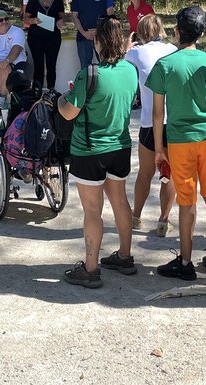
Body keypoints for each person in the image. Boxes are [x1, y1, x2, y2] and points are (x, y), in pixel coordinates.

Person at [59, 15, 140, 287]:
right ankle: (125, 256)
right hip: (120, 147)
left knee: (93, 210)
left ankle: (91, 269)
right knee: (120, 202)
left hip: (89, 149)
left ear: (98, 42)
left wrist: (61, 99)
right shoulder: (130, 71)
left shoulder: (89, 74)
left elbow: (69, 113)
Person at [148, 6, 206, 280]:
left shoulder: (165, 65)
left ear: (177, 31)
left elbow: (158, 114)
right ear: (202, 33)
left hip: (180, 140)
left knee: (186, 201)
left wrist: (159, 149)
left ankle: (185, 260)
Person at [124, 14, 176, 236]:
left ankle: (136, 216)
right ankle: (163, 220)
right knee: (168, 175)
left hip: (148, 122)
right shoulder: (173, 50)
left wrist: (128, 44)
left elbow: (121, 61)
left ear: (140, 32)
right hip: (172, 123)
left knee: (145, 174)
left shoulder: (135, 52)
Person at [24, 0, 65, 90]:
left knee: (52, 66)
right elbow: (26, 19)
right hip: (36, 38)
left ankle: (51, 91)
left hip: (53, 38)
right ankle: (37, 92)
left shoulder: (57, 0)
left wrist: (61, 21)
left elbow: (62, 16)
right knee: (38, 66)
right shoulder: (33, 0)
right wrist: (33, 20)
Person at [70, 0, 114, 69]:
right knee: (85, 68)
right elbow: (74, 16)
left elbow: (110, 15)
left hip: (102, 36)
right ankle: (87, 86)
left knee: (106, 66)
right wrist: (84, 33)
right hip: (83, 37)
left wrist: (99, 31)